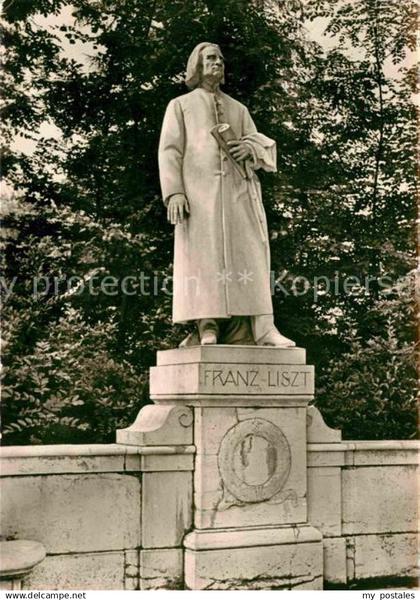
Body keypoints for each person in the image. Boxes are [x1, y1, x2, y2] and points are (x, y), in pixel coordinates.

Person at [158, 42, 295, 347]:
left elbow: (258, 146)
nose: (217, 63)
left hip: (238, 195)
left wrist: (250, 148)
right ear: (197, 65)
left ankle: (260, 328)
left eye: (220, 58)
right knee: (203, 259)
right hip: (198, 198)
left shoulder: (238, 108)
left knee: (249, 256)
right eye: (210, 58)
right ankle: (207, 325)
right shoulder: (180, 105)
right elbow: (169, 151)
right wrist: (175, 193)